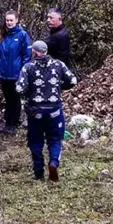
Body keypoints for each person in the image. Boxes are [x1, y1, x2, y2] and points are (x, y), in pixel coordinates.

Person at [16, 40, 77, 182]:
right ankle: (53, 163)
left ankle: (38, 172)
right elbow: (73, 80)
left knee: (35, 141)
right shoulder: (58, 65)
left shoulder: (28, 67)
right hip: (55, 109)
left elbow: (19, 88)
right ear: (46, 51)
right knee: (55, 139)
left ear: (35, 52)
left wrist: (28, 95)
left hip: (36, 111)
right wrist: (59, 87)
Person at [0, 10, 32, 133]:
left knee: (14, 99)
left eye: (11, 20)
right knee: (8, 99)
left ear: (16, 21)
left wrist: (23, 72)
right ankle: (7, 122)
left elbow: (27, 55)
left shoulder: (22, 35)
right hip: (4, 74)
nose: (9, 23)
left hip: (16, 74)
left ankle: (13, 123)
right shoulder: (3, 36)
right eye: (7, 20)